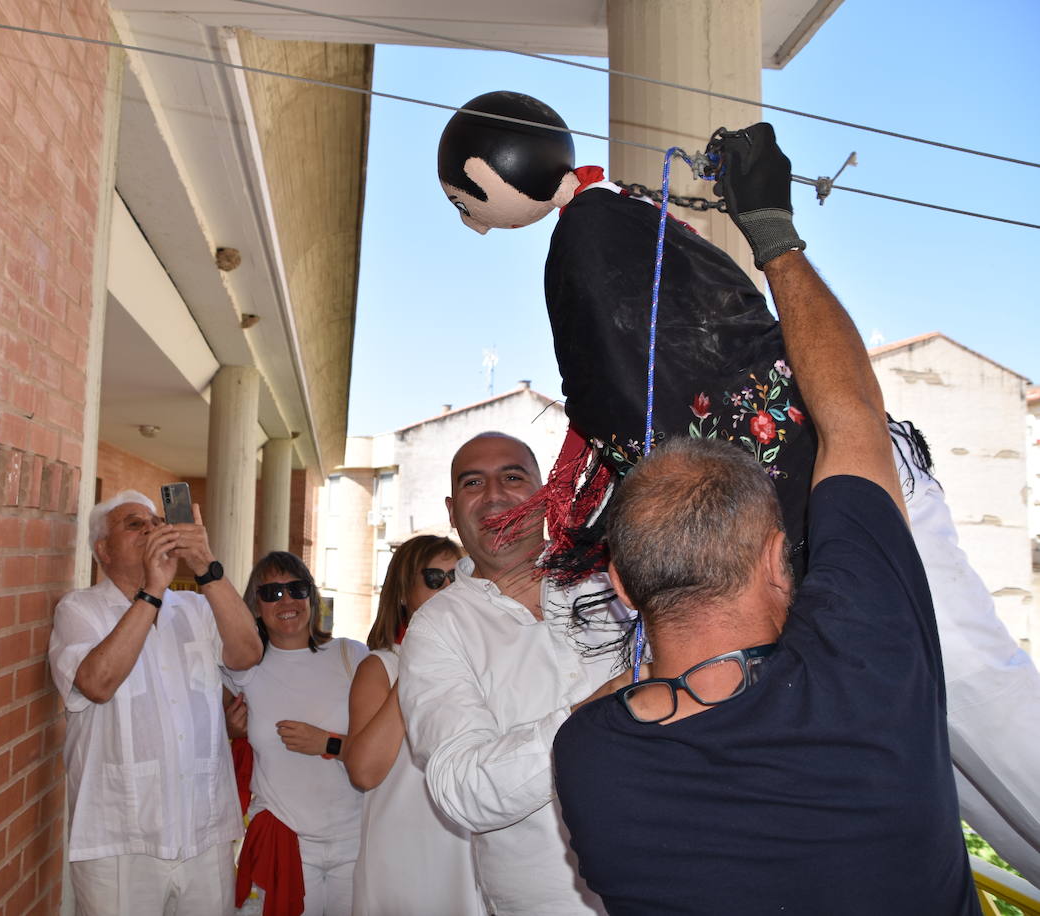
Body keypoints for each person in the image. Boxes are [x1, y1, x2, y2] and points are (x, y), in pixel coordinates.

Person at [438, 90, 1040, 882]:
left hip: (826, 505)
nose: (467, 218)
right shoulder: (604, 227)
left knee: (972, 701)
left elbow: (678, 405)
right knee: (937, 739)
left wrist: (773, 237)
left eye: (464, 199)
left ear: (493, 171)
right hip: (803, 513)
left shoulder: (593, 238)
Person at [553, 123, 982, 913]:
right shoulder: (868, 662)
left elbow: (616, 703)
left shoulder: (591, 761)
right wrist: (774, 233)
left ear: (616, 582)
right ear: (782, 556)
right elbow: (852, 416)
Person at [397, 432, 631, 915]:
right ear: (451, 508)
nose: (495, 495)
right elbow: (462, 788)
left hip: (676, 879)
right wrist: (597, 712)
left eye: (512, 477)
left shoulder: (613, 581)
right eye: (473, 482)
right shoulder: (437, 628)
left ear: (544, 491)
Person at [47, 490, 262, 916]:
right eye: (133, 524)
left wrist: (205, 565)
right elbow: (96, 683)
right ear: (102, 551)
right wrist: (152, 591)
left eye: (155, 521)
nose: (150, 529)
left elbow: (248, 652)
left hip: (205, 833)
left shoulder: (198, 607)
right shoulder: (80, 609)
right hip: (119, 842)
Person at [345, 535, 484, 916]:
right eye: (434, 579)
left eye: (458, 577)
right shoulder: (382, 667)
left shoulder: (486, 662)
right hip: (402, 858)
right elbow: (363, 771)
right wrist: (421, 662)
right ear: (404, 593)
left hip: (469, 852)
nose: (448, 588)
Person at [224, 551, 369, 916]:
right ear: (255, 606)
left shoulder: (352, 657)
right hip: (286, 842)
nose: (286, 600)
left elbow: (387, 746)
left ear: (311, 597)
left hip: (354, 842)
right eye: (271, 592)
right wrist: (228, 728)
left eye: (296, 588)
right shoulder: (243, 672)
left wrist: (328, 743)